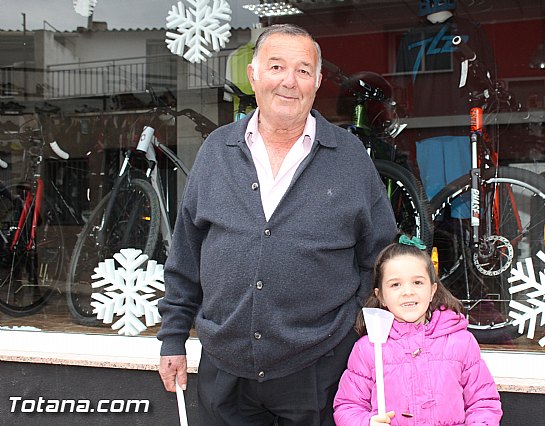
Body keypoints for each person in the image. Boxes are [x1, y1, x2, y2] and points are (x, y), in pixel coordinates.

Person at [157, 23, 398, 425]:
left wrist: (346, 337)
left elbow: (379, 257)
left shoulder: (349, 156)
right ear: (253, 76)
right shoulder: (217, 150)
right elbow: (186, 253)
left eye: (303, 70)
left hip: (317, 370)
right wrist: (173, 338)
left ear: (318, 82)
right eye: (276, 67)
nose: (289, 81)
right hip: (224, 370)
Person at [333, 235, 502, 425]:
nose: (408, 291)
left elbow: (483, 402)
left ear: (432, 291)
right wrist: (367, 423)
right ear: (380, 296)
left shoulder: (461, 342)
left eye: (417, 282)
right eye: (395, 284)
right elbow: (348, 406)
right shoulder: (368, 349)